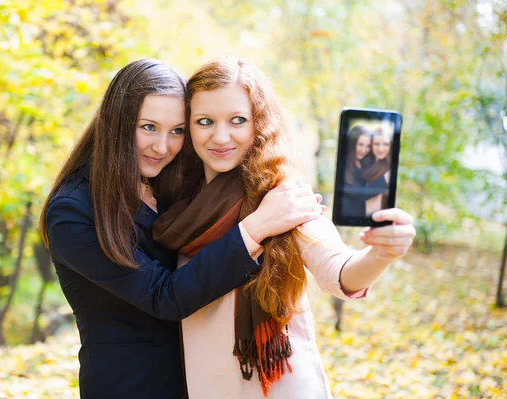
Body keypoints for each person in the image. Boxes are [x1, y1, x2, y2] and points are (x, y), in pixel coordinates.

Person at [38, 59, 324, 399]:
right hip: (130, 386)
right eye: (148, 127)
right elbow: (165, 296)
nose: (163, 146)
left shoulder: (168, 186)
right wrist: (257, 226)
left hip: (197, 383)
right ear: (117, 123)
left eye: (176, 131)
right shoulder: (73, 211)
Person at [153, 57, 416, 399]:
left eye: (237, 120)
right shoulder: (175, 204)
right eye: (205, 121)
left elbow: (339, 271)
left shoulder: (280, 196)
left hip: (278, 387)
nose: (220, 136)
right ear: (187, 127)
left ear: (258, 124)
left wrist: (381, 253)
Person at [342, 125, 372, 217]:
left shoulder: (367, 164)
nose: (364, 150)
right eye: (360, 144)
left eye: (368, 146)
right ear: (353, 143)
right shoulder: (344, 167)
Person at [362, 127, 392, 216]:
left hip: (379, 218)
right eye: (377, 144)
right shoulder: (366, 164)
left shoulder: (389, 171)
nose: (381, 149)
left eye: (386, 144)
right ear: (371, 145)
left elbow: (366, 194)